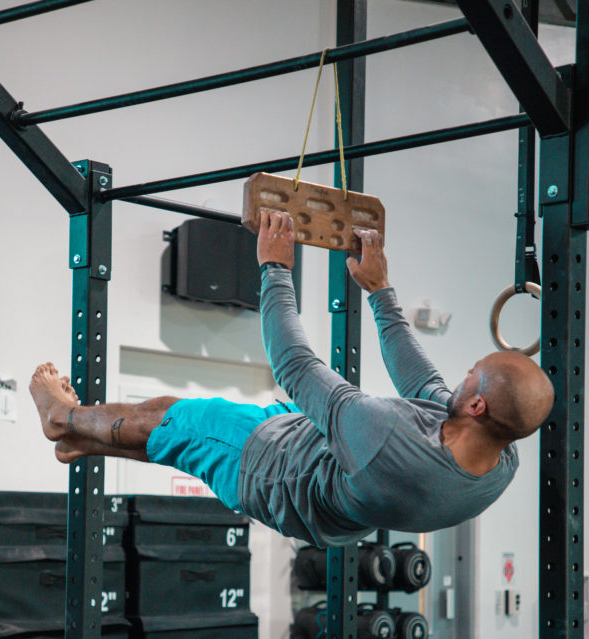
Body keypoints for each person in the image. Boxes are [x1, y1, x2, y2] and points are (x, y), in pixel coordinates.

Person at [30, 209, 554, 548]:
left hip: (274, 471)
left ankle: (62, 417)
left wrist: (274, 268)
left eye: (472, 377)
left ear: (479, 406)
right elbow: (423, 384)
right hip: (319, 476)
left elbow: (294, 365)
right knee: (178, 431)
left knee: (171, 419)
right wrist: (380, 290)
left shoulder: (386, 440)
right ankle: (82, 442)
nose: (460, 378)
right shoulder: (499, 456)